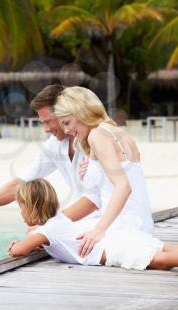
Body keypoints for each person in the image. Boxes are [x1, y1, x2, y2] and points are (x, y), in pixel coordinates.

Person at [0, 84, 98, 235]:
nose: (45, 129)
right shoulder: (54, 145)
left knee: (36, 237)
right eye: (42, 123)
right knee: (32, 236)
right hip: (81, 221)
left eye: (48, 121)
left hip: (104, 222)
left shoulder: (96, 140)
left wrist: (52, 226)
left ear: (66, 114)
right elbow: (19, 184)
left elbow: (96, 198)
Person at [54, 86, 154, 257]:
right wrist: (92, 172)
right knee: (53, 232)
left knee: (53, 239)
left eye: (67, 122)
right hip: (141, 224)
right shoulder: (117, 132)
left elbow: (124, 187)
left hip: (121, 228)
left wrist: (99, 230)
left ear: (81, 112)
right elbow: (120, 178)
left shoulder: (97, 136)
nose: (66, 131)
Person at [8, 179, 178, 271]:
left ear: (30, 207)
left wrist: (19, 244)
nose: (21, 213)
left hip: (114, 250)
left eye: (21, 207)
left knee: (161, 261)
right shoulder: (58, 221)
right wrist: (33, 240)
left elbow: (18, 251)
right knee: (164, 249)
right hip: (117, 238)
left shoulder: (46, 231)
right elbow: (40, 236)